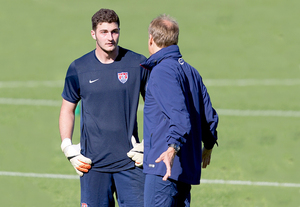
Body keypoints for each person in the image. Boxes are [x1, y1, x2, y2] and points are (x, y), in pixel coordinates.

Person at [59, 8, 150, 207]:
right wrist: (67, 146)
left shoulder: (138, 64)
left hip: (132, 162)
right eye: (104, 32)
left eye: (114, 31)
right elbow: (67, 108)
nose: (110, 37)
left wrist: (150, 143)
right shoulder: (78, 68)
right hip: (92, 166)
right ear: (93, 34)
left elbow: (156, 106)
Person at [141, 14, 219, 207]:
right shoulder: (192, 72)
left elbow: (180, 118)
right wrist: (208, 146)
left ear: (151, 39)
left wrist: (171, 149)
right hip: (184, 172)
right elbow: (208, 118)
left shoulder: (161, 71)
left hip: (163, 170)